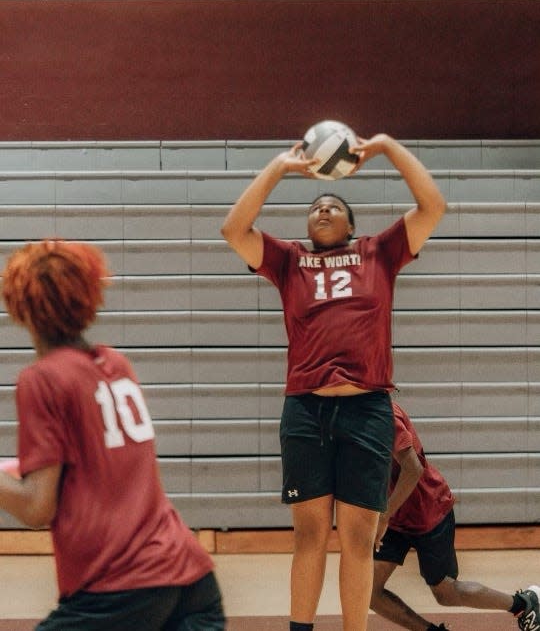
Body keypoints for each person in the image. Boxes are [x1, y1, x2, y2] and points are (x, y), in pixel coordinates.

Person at [221, 132, 447, 631]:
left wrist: (387, 146)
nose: (321, 212)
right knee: (308, 535)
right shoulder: (289, 259)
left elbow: (433, 205)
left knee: (358, 537)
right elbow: (234, 228)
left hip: (367, 410)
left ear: (351, 223)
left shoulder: (379, 253)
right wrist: (279, 168)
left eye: (333, 206)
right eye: (315, 207)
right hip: (305, 409)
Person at [0, 238, 225, 631]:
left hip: (120, 586)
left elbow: (38, 508)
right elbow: (95, 459)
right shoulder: (115, 363)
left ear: (19, 305)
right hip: (192, 579)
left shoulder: (42, 378)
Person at [371, 400, 540, 631]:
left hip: (428, 512)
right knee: (369, 590)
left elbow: (413, 469)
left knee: (446, 593)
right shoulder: (353, 412)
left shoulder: (385, 414)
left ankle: (524, 603)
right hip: (396, 516)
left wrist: (384, 515)